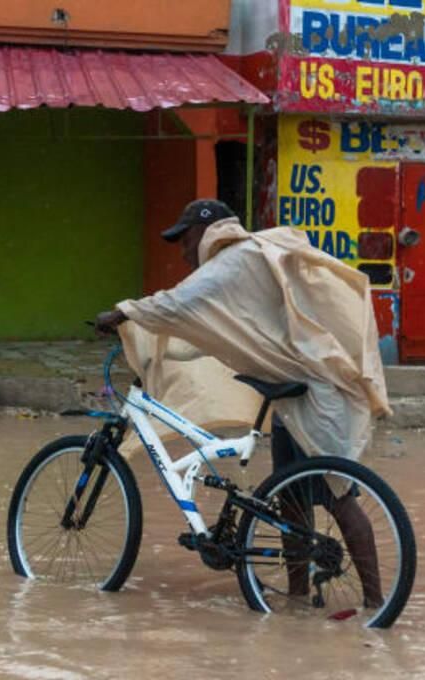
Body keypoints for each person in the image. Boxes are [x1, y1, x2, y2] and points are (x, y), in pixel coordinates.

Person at [95, 199, 391, 608]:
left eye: (185, 239)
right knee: (290, 500)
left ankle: (379, 605)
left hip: (320, 392)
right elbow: (207, 332)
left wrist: (122, 312)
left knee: (339, 497)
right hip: (296, 392)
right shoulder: (238, 267)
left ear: (207, 231)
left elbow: (178, 303)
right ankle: (297, 597)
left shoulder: (236, 259)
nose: (182, 250)